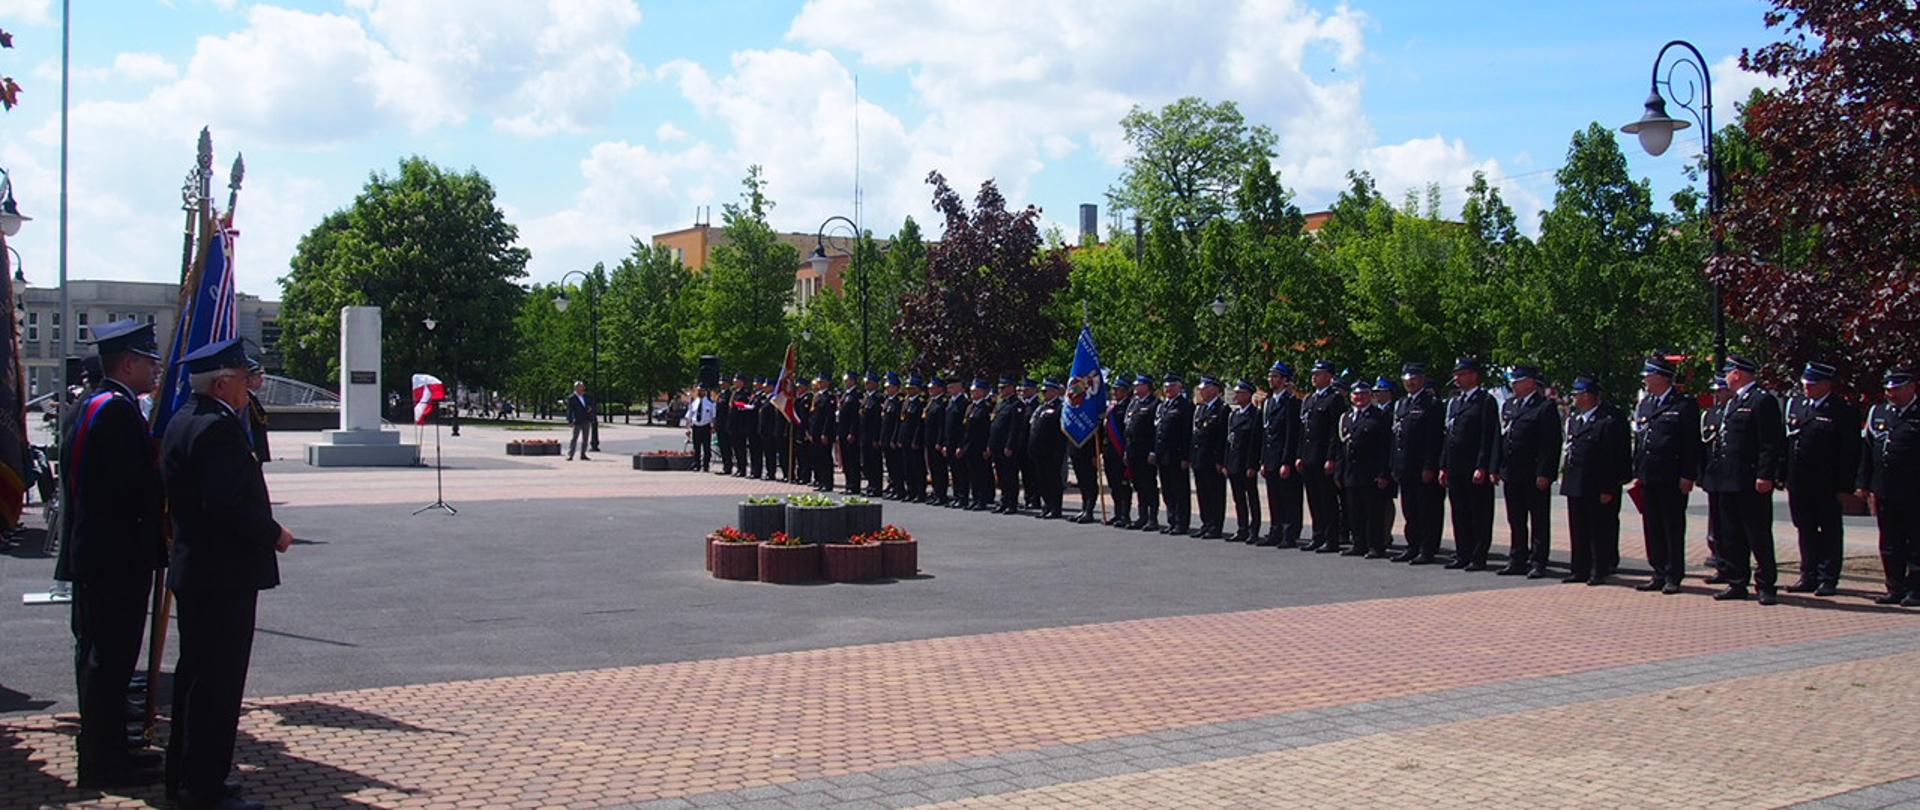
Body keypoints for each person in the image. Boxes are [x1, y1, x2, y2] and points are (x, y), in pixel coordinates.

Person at [162, 337, 292, 810]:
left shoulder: (185, 418)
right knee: (217, 685)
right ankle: (204, 789)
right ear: (220, 383)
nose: (248, 386)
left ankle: (186, 778)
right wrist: (273, 533)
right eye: (242, 378)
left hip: (200, 571)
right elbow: (227, 504)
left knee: (196, 678)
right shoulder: (216, 428)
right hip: (222, 575)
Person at [60, 320, 167, 789]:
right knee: (110, 664)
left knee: (100, 660)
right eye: (149, 362)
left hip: (94, 552)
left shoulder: (90, 404)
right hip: (117, 558)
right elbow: (132, 489)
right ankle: (105, 763)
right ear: (127, 364)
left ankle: (109, 751)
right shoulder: (118, 412)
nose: (155, 370)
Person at [1704, 355, 1786, 604]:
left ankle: (1766, 585)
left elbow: (1770, 443)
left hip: (1750, 480)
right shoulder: (1732, 402)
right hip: (1728, 479)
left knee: (1757, 534)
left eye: (1728, 373)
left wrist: (1765, 475)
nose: (1726, 378)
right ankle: (1737, 581)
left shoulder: (1762, 400)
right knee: (1731, 535)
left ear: (1738, 374)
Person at [1783, 361, 1861, 597]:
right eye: (1805, 384)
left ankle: (1828, 578)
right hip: (1799, 481)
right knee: (1805, 528)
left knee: (1829, 531)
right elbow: (1788, 444)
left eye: (1813, 384)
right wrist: (1782, 475)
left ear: (1826, 384)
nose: (1807, 388)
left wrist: (1845, 486)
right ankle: (1808, 574)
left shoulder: (1841, 410)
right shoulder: (1797, 405)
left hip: (1827, 483)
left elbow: (1850, 452)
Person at [1631, 356, 1700, 594]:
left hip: (1671, 476)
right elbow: (1641, 438)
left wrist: (1688, 475)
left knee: (1672, 526)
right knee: (1652, 526)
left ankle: (1673, 574)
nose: (1645, 381)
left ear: (1660, 377)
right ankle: (1658, 571)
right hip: (1648, 475)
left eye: (1648, 376)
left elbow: (1691, 444)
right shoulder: (1646, 404)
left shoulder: (1683, 405)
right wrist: (1637, 470)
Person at [1561, 374, 1632, 585]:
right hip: (1576, 482)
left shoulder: (1607, 420)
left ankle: (1598, 569)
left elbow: (1611, 457)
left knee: (1598, 529)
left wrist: (1608, 488)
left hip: (1597, 483)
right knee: (1578, 528)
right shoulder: (1575, 418)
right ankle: (1579, 569)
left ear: (1587, 396)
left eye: (1577, 394)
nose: (1573, 398)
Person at [1856, 367, 1919, 605]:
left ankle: (1916, 589)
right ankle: (1894, 587)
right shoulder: (1878, 412)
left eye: (1896, 389)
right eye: (1888, 390)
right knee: (1889, 542)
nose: (1891, 394)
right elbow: (1867, 451)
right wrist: (1863, 484)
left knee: (1915, 541)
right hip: (1884, 488)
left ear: (1911, 387)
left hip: (1914, 490)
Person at [1496, 365, 1562, 577]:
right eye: (1512, 381)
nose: (1513, 385)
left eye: (1518, 381)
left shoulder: (1544, 407)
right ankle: (1517, 558)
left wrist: (1545, 473)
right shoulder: (1510, 405)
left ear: (1531, 382)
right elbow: (1504, 438)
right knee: (1515, 518)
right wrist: (1498, 467)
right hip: (1512, 471)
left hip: (1533, 473)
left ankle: (1538, 561)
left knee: (1538, 519)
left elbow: (1550, 443)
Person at [1442, 357, 1500, 570]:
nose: (1457, 378)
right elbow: (1449, 435)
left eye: (1462, 374)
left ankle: (1478, 556)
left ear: (1474, 375)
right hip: (1455, 466)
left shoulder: (1485, 401)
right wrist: (1444, 465)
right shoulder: (1456, 402)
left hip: (1474, 466)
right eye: (1456, 374)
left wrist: (1483, 466)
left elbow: (1488, 436)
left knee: (1479, 513)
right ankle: (1462, 553)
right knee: (1460, 512)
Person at [1392, 363, 1446, 564]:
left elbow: (1433, 439)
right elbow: (1397, 437)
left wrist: (1430, 465)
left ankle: (1426, 548)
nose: (1410, 382)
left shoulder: (1431, 404)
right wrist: (1394, 465)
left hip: (1421, 466)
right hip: (1405, 465)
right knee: (1410, 510)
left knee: (1426, 510)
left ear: (1422, 379)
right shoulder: (1402, 404)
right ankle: (1412, 545)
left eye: (1414, 378)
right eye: (1407, 379)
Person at [1338, 380, 1394, 558]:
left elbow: (1385, 447)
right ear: (1351, 396)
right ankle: (1359, 543)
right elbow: (1342, 447)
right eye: (1356, 394)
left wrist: (1383, 473)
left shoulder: (1379, 416)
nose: (1359, 397)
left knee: (1373, 512)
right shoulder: (1347, 417)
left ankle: (1375, 545)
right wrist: (1339, 472)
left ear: (1370, 396)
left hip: (1371, 472)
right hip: (1351, 472)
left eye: (1363, 394)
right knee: (1354, 511)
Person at [1298, 360, 1343, 552]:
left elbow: (1335, 432)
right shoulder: (1309, 399)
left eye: (1318, 373)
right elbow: (1303, 430)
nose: (1314, 377)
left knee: (1327, 500)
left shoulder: (1334, 399)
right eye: (1313, 373)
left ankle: (1331, 538)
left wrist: (1331, 458)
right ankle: (1318, 535)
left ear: (1329, 376)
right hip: (1309, 456)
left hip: (1323, 456)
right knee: (1313, 498)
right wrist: (1300, 455)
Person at [1260, 362, 1303, 548]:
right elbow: (1266, 433)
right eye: (1270, 376)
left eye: (1276, 376)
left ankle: (1289, 533)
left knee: (1288, 498)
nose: (1271, 379)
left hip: (1283, 458)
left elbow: (1290, 435)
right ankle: (1275, 530)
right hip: (1270, 457)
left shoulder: (1292, 403)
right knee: (1274, 498)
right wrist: (1263, 460)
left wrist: (1286, 461)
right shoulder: (1268, 402)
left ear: (1285, 380)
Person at [1154, 374, 1195, 535]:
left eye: (1171, 386)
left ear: (1179, 387)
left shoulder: (1185, 406)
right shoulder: (1162, 406)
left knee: (1180, 491)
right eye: (1166, 386)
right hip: (1163, 455)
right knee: (1167, 490)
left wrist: (1185, 456)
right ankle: (1171, 520)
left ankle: (1181, 522)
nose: (1168, 389)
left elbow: (1186, 433)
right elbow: (1158, 431)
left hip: (1177, 455)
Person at [1189, 376, 1229, 539]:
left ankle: (1215, 525)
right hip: (1200, 458)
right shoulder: (1200, 409)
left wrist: (1220, 460)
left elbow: (1222, 438)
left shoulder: (1222, 409)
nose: (1202, 391)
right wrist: (1192, 457)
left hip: (1212, 459)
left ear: (1214, 389)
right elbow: (1195, 435)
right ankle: (1206, 523)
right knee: (1203, 493)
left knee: (1215, 493)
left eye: (1205, 388)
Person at [1224, 380, 1263, 543]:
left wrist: (1252, 465)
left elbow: (1255, 442)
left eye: (1240, 393)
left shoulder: (1255, 414)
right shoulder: (1234, 414)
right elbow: (1229, 440)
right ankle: (1242, 528)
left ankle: (1254, 530)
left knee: (1251, 497)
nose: (1236, 395)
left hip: (1246, 463)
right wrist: (1226, 462)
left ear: (1248, 395)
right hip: (1234, 462)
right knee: (1238, 498)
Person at [1027, 378, 1068, 520]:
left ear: (1055, 391)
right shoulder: (1042, 407)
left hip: (1051, 452)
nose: (1043, 394)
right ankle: (1047, 506)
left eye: (1046, 391)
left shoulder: (1060, 407)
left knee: (1053, 480)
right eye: (1043, 391)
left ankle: (1055, 508)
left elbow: (1061, 433)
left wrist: (1058, 452)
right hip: (1038, 451)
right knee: (1042, 480)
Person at [1125, 375, 1162, 531]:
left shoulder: (1154, 404)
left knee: (1149, 485)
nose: (1135, 388)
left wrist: (1153, 451)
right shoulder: (1134, 403)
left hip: (1145, 452)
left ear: (1147, 386)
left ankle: (1153, 518)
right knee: (1138, 485)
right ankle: (1142, 516)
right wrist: (1126, 451)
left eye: (1138, 385)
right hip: (1133, 451)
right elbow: (1128, 428)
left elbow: (1156, 431)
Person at [989, 377, 1028, 513]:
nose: (1000, 390)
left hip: (1007, 446)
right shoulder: (1001, 404)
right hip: (997, 445)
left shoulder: (1017, 404)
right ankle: (1004, 501)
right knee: (1001, 476)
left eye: (1003, 387)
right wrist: (990, 444)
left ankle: (1012, 503)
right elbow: (994, 424)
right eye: (999, 387)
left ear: (1011, 387)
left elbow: (1015, 428)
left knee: (1010, 475)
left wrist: (1010, 445)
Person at [1102, 374, 1135, 527]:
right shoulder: (1112, 408)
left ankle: (1125, 515)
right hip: (1109, 452)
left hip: (1120, 451)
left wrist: (1126, 451)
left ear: (1126, 391)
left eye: (1118, 389)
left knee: (1123, 485)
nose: (1114, 392)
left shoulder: (1128, 407)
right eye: (1114, 389)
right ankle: (1117, 513)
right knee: (1113, 485)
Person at [962, 379, 995, 510]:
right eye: (971, 391)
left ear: (982, 392)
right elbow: (965, 428)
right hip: (969, 446)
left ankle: (982, 500)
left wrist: (988, 446)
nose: (972, 393)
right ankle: (975, 499)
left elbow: (988, 429)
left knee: (982, 474)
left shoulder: (987, 407)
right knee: (973, 475)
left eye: (975, 391)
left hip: (980, 446)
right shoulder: (970, 407)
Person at [899, 375, 927, 502]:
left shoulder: (920, 403)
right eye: (908, 388)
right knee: (907, 467)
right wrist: (900, 438)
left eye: (912, 388)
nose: (909, 391)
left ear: (918, 389)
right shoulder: (906, 402)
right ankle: (911, 491)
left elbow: (919, 424)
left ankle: (920, 493)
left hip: (914, 440)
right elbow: (902, 422)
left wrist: (916, 440)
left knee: (917, 468)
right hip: (905, 439)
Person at [925, 378, 952, 505]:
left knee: (940, 469)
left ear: (940, 388)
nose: (930, 390)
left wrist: (939, 441)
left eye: (933, 388)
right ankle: (936, 492)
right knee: (933, 469)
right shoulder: (931, 402)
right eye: (930, 388)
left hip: (937, 441)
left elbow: (942, 425)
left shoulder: (942, 403)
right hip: (929, 440)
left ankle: (941, 495)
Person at [809, 376, 838, 491]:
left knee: (825, 458)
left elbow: (829, 417)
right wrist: (811, 432)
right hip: (816, 432)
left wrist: (825, 433)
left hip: (824, 433)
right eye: (819, 382)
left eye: (822, 382)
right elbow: (813, 416)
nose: (819, 384)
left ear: (827, 383)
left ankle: (827, 483)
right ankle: (820, 481)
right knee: (818, 458)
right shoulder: (817, 396)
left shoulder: (829, 397)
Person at [863, 373, 888, 497]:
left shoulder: (878, 398)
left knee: (875, 463)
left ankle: (876, 487)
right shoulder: (866, 398)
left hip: (873, 435)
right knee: (867, 462)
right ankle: (870, 484)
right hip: (865, 435)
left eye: (868, 383)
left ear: (875, 384)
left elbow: (878, 421)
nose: (866, 385)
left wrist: (876, 438)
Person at [877, 373, 901, 498]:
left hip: (893, 438)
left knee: (896, 466)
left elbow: (897, 422)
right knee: (890, 465)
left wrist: (894, 439)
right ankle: (892, 486)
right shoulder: (887, 401)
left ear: (896, 387)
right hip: (886, 438)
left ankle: (898, 489)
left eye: (889, 387)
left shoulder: (898, 402)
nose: (887, 389)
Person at [243, 360, 270, 465]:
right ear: (248, 379)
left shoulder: (251, 396)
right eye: (257, 376)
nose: (261, 380)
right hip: (253, 445)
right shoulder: (246, 398)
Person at [683, 385, 716, 471]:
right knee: (696, 447)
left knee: (706, 448)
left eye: (702, 390)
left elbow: (713, 416)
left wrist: (713, 426)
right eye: (699, 390)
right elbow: (689, 416)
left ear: (705, 392)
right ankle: (697, 465)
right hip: (696, 427)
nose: (700, 392)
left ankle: (706, 466)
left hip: (706, 427)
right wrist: (687, 429)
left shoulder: (710, 403)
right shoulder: (693, 402)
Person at [731, 375, 756, 476]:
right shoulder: (734, 393)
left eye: (736, 381)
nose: (734, 382)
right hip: (734, 424)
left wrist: (740, 405)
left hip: (741, 424)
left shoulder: (745, 393)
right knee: (736, 447)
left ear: (741, 382)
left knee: (741, 448)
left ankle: (743, 469)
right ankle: (739, 467)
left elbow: (747, 407)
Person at [565, 381, 593, 461]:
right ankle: (571, 454)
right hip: (577, 420)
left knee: (585, 438)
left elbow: (589, 405)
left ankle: (583, 454)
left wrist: (589, 409)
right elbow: (570, 410)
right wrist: (570, 421)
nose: (583, 388)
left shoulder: (586, 396)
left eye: (583, 387)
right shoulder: (572, 398)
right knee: (575, 438)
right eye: (581, 387)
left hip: (586, 420)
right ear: (576, 388)